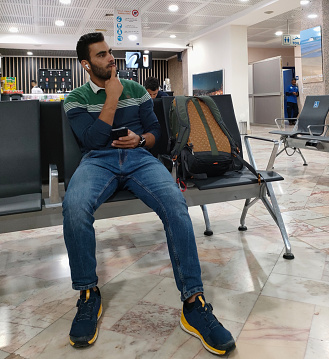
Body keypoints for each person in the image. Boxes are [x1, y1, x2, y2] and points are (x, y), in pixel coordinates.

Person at [62, 32, 235, 355]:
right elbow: (91, 141)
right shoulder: (76, 98)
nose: (110, 58)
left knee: (176, 206)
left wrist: (140, 141)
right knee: (74, 208)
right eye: (101, 55)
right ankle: (88, 294)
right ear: (86, 64)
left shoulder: (139, 91)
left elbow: (156, 133)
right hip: (98, 161)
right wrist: (112, 97)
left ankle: (193, 302)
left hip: (141, 159)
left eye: (110, 52)